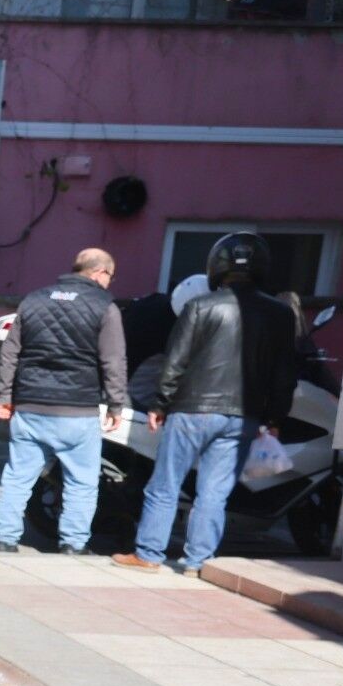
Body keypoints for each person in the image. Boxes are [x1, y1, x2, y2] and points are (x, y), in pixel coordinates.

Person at [114, 233, 299, 575]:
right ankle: (197, 561)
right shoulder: (281, 314)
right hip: (244, 415)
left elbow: (175, 361)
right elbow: (284, 372)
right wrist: (274, 416)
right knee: (214, 492)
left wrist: (160, 404)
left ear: (216, 267)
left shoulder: (200, 306)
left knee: (165, 483)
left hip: (192, 410)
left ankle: (149, 554)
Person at [0, 247, 128, 555]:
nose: (110, 282)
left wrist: (5, 396)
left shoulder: (34, 300)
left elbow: (11, 352)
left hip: (30, 406)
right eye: (111, 276)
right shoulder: (105, 306)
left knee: (17, 476)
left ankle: (4, 539)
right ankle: (73, 544)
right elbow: (114, 360)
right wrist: (116, 404)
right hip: (77, 411)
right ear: (99, 273)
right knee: (81, 482)